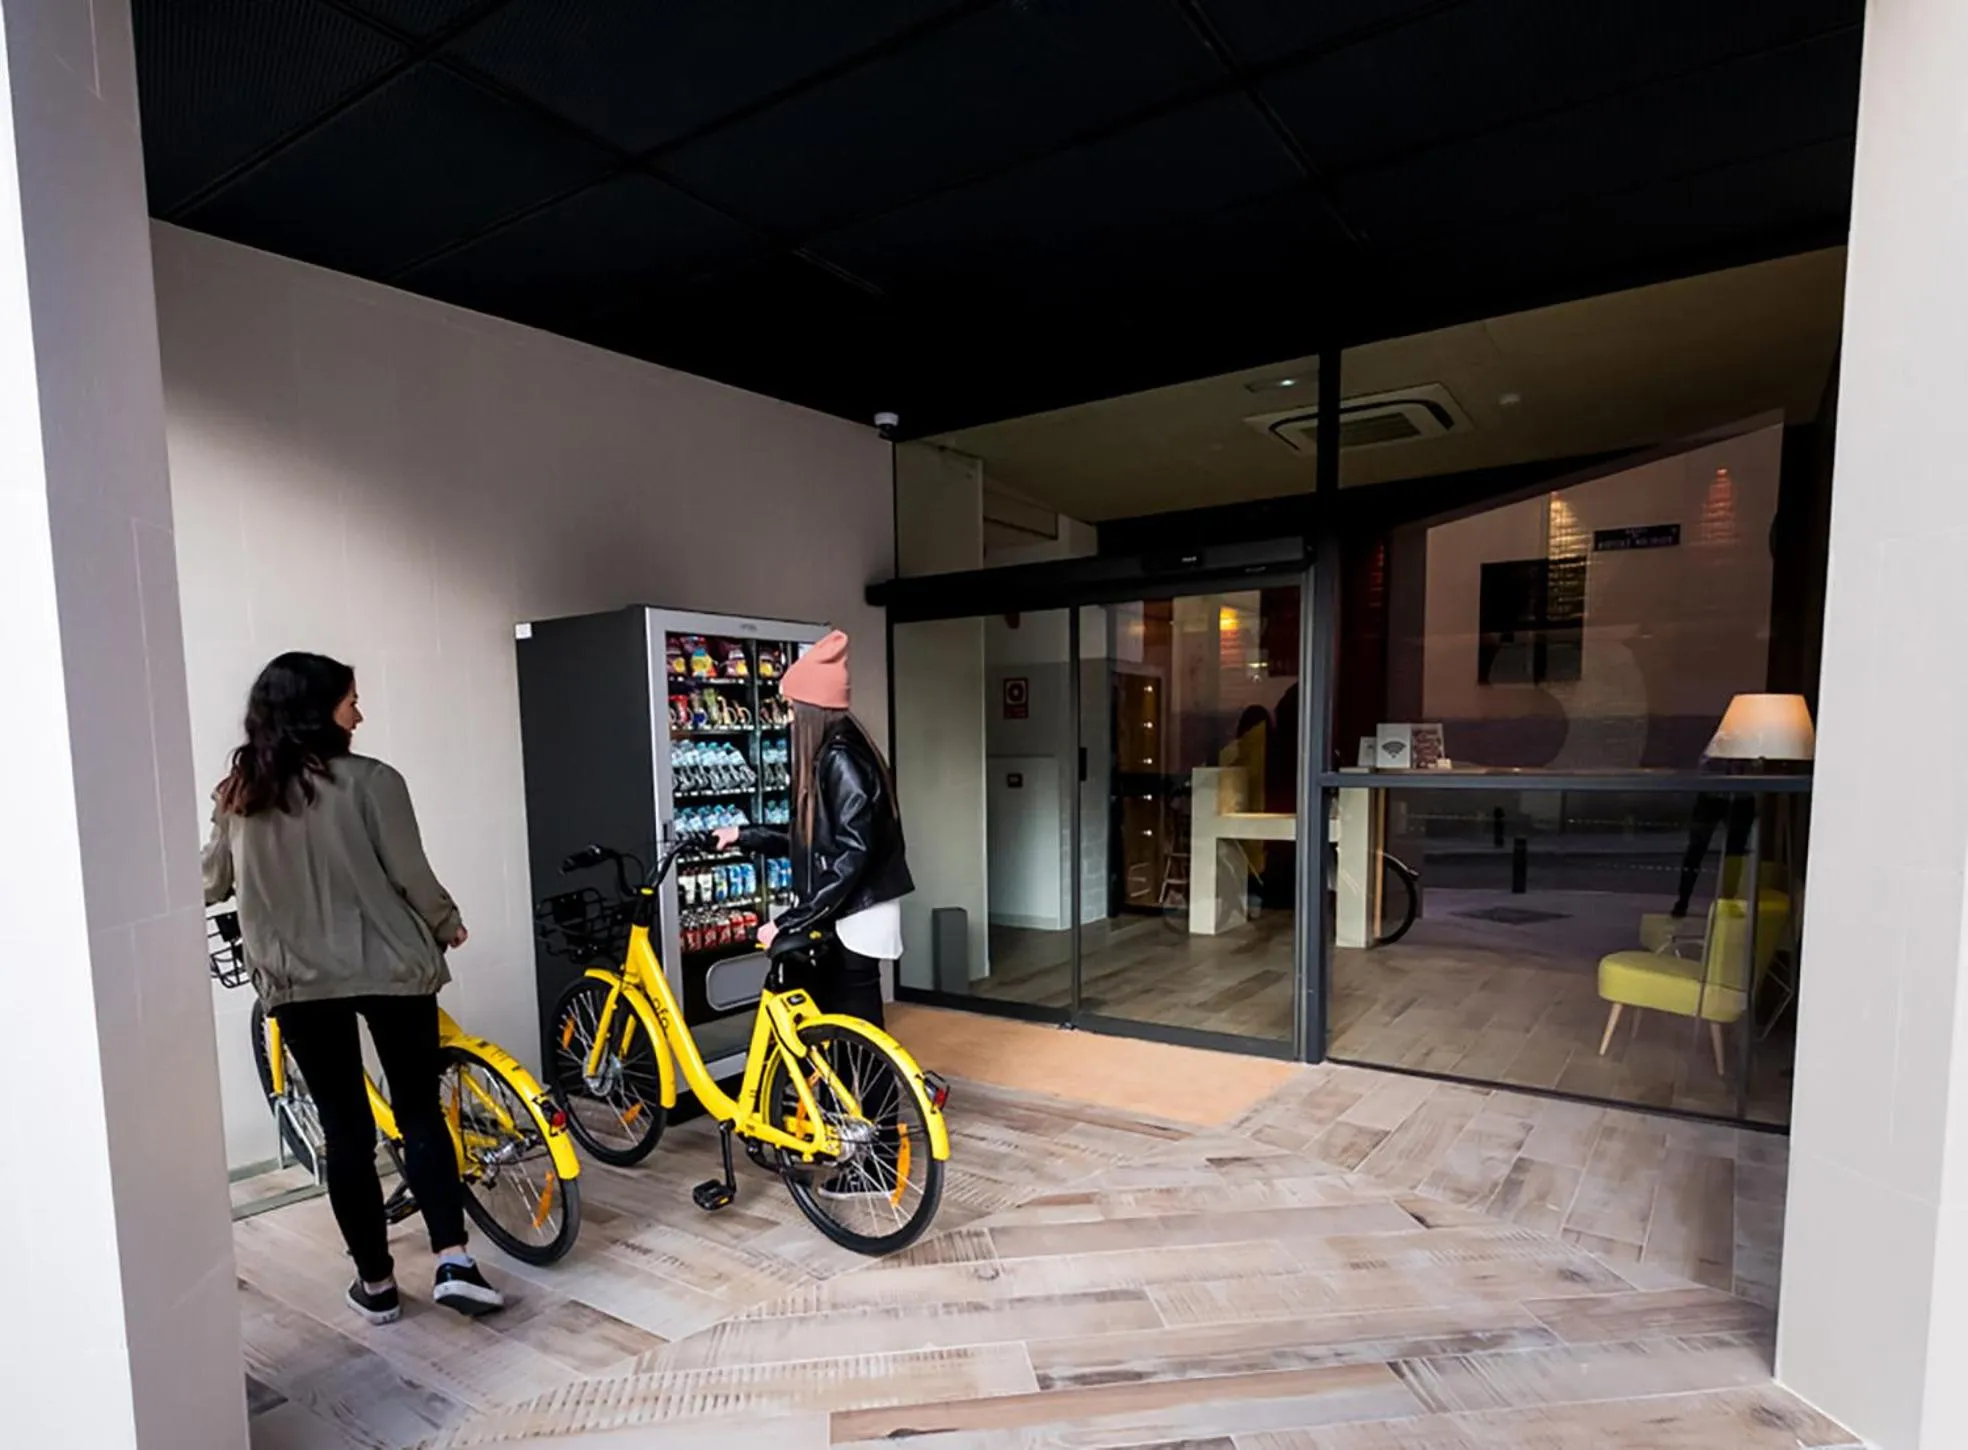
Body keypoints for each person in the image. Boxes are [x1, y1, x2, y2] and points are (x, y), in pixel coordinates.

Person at [203, 652, 502, 1326]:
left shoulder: (240, 792)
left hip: (297, 982)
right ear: (318, 708)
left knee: (345, 1133)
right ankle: (454, 1259)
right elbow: (411, 874)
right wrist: (447, 923)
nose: (359, 714)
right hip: (393, 970)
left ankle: (377, 1285)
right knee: (420, 1112)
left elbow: (210, 881)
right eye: (350, 702)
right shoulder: (374, 781)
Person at [713, 629, 912, 1026]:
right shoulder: (842, 749)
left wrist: (790, 920)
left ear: (811, 709)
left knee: (855, 1030)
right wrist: (745, 835)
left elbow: (851, 855)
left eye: (791, 707)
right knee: (844, 1028)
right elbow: (816, 836)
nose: (787, 717)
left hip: (856, 914)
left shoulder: (840, 759)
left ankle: (869, 1091)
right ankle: (846, 1088)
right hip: (854, 909)